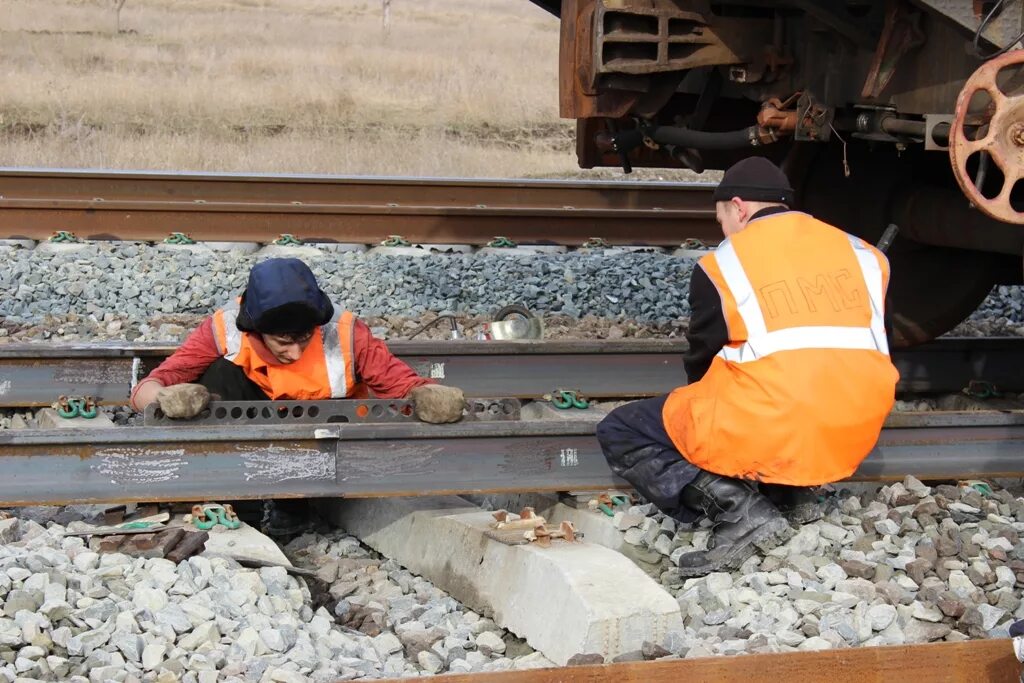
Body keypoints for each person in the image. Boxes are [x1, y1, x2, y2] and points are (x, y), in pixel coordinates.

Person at [596, 157, 899, 577]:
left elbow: (702, 357)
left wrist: (700, 430)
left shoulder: (725, 264)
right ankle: (793, 495)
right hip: (857, 426)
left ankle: (739, 512)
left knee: (623, 429)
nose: (722, 230)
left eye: (721, 219)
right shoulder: (863, 253)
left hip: (781, 421)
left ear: (738, 207)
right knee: (789, 385)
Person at [131, 257, 465, 535]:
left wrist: (429, 395)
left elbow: (398, 381)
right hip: (252, 432)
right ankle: (236, 506)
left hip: (323, 444)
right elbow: (153, 384)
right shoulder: (224, 328)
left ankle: (293, 511)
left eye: (304, 339)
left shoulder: (346, 332)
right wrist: (165, 399)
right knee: (219, 375)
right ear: (257, 330)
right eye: (283, 342)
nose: (295, 352)